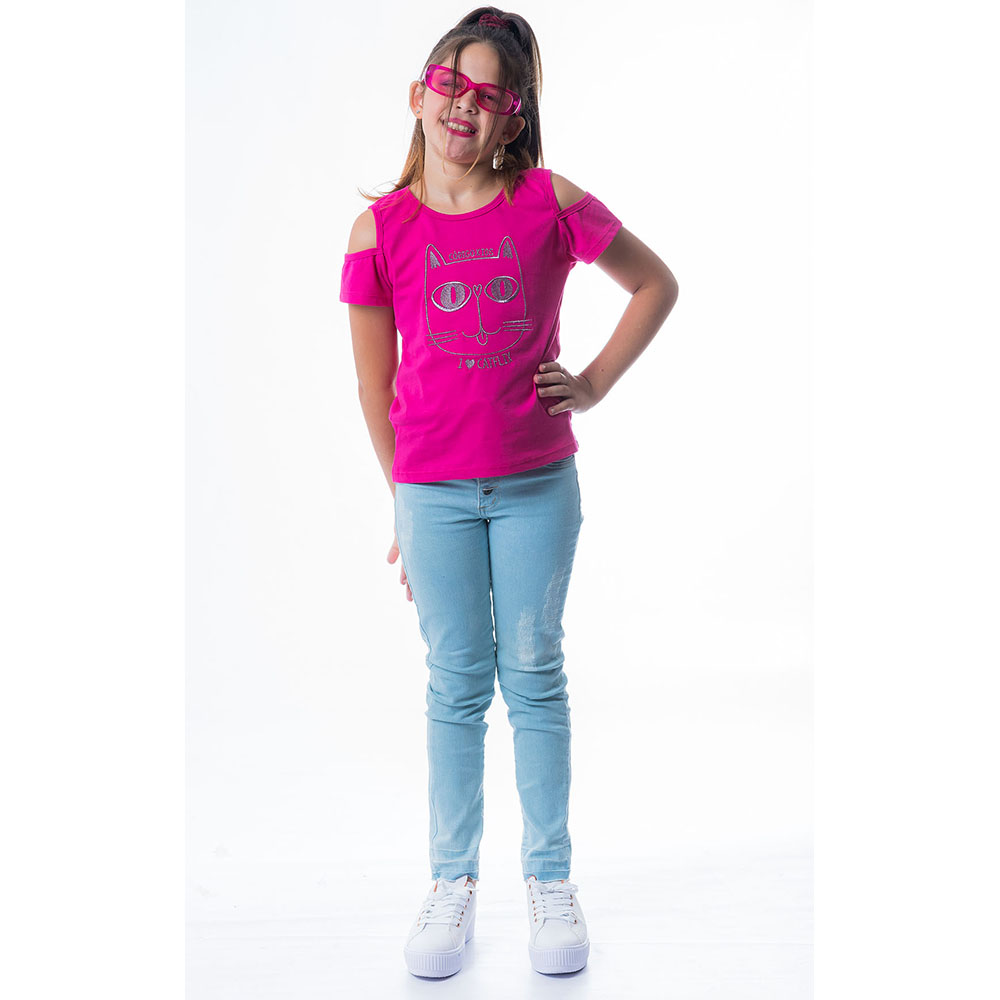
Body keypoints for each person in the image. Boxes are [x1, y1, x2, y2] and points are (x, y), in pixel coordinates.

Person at [340, 6, 678, 980]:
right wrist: (405, 503)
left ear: (515, 116)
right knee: (454, 684)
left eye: (490, 94)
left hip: (536, 486)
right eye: (451, 84)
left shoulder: (547, 201)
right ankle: (451, 883)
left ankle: (550, 879)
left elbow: (654, 283)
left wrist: (595, 382)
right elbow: (374, 386)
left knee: (532, 673)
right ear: (418, 94)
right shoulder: (379, 229)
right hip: (435, 496)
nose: (465, 105)